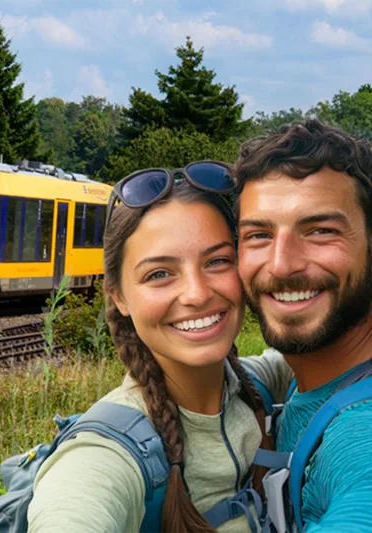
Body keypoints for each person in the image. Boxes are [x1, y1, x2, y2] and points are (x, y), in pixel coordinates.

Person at [27, 163, 292, 533]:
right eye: (159, 274)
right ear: (119, 295)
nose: (197, 294)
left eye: (217, 261)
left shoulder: (254, 385)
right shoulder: (106, 451)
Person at [233, 119, 372, 531]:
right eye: (258, 235)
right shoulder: (313, 373)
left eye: (321, 231)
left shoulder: (359, 440)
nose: (281, 264)